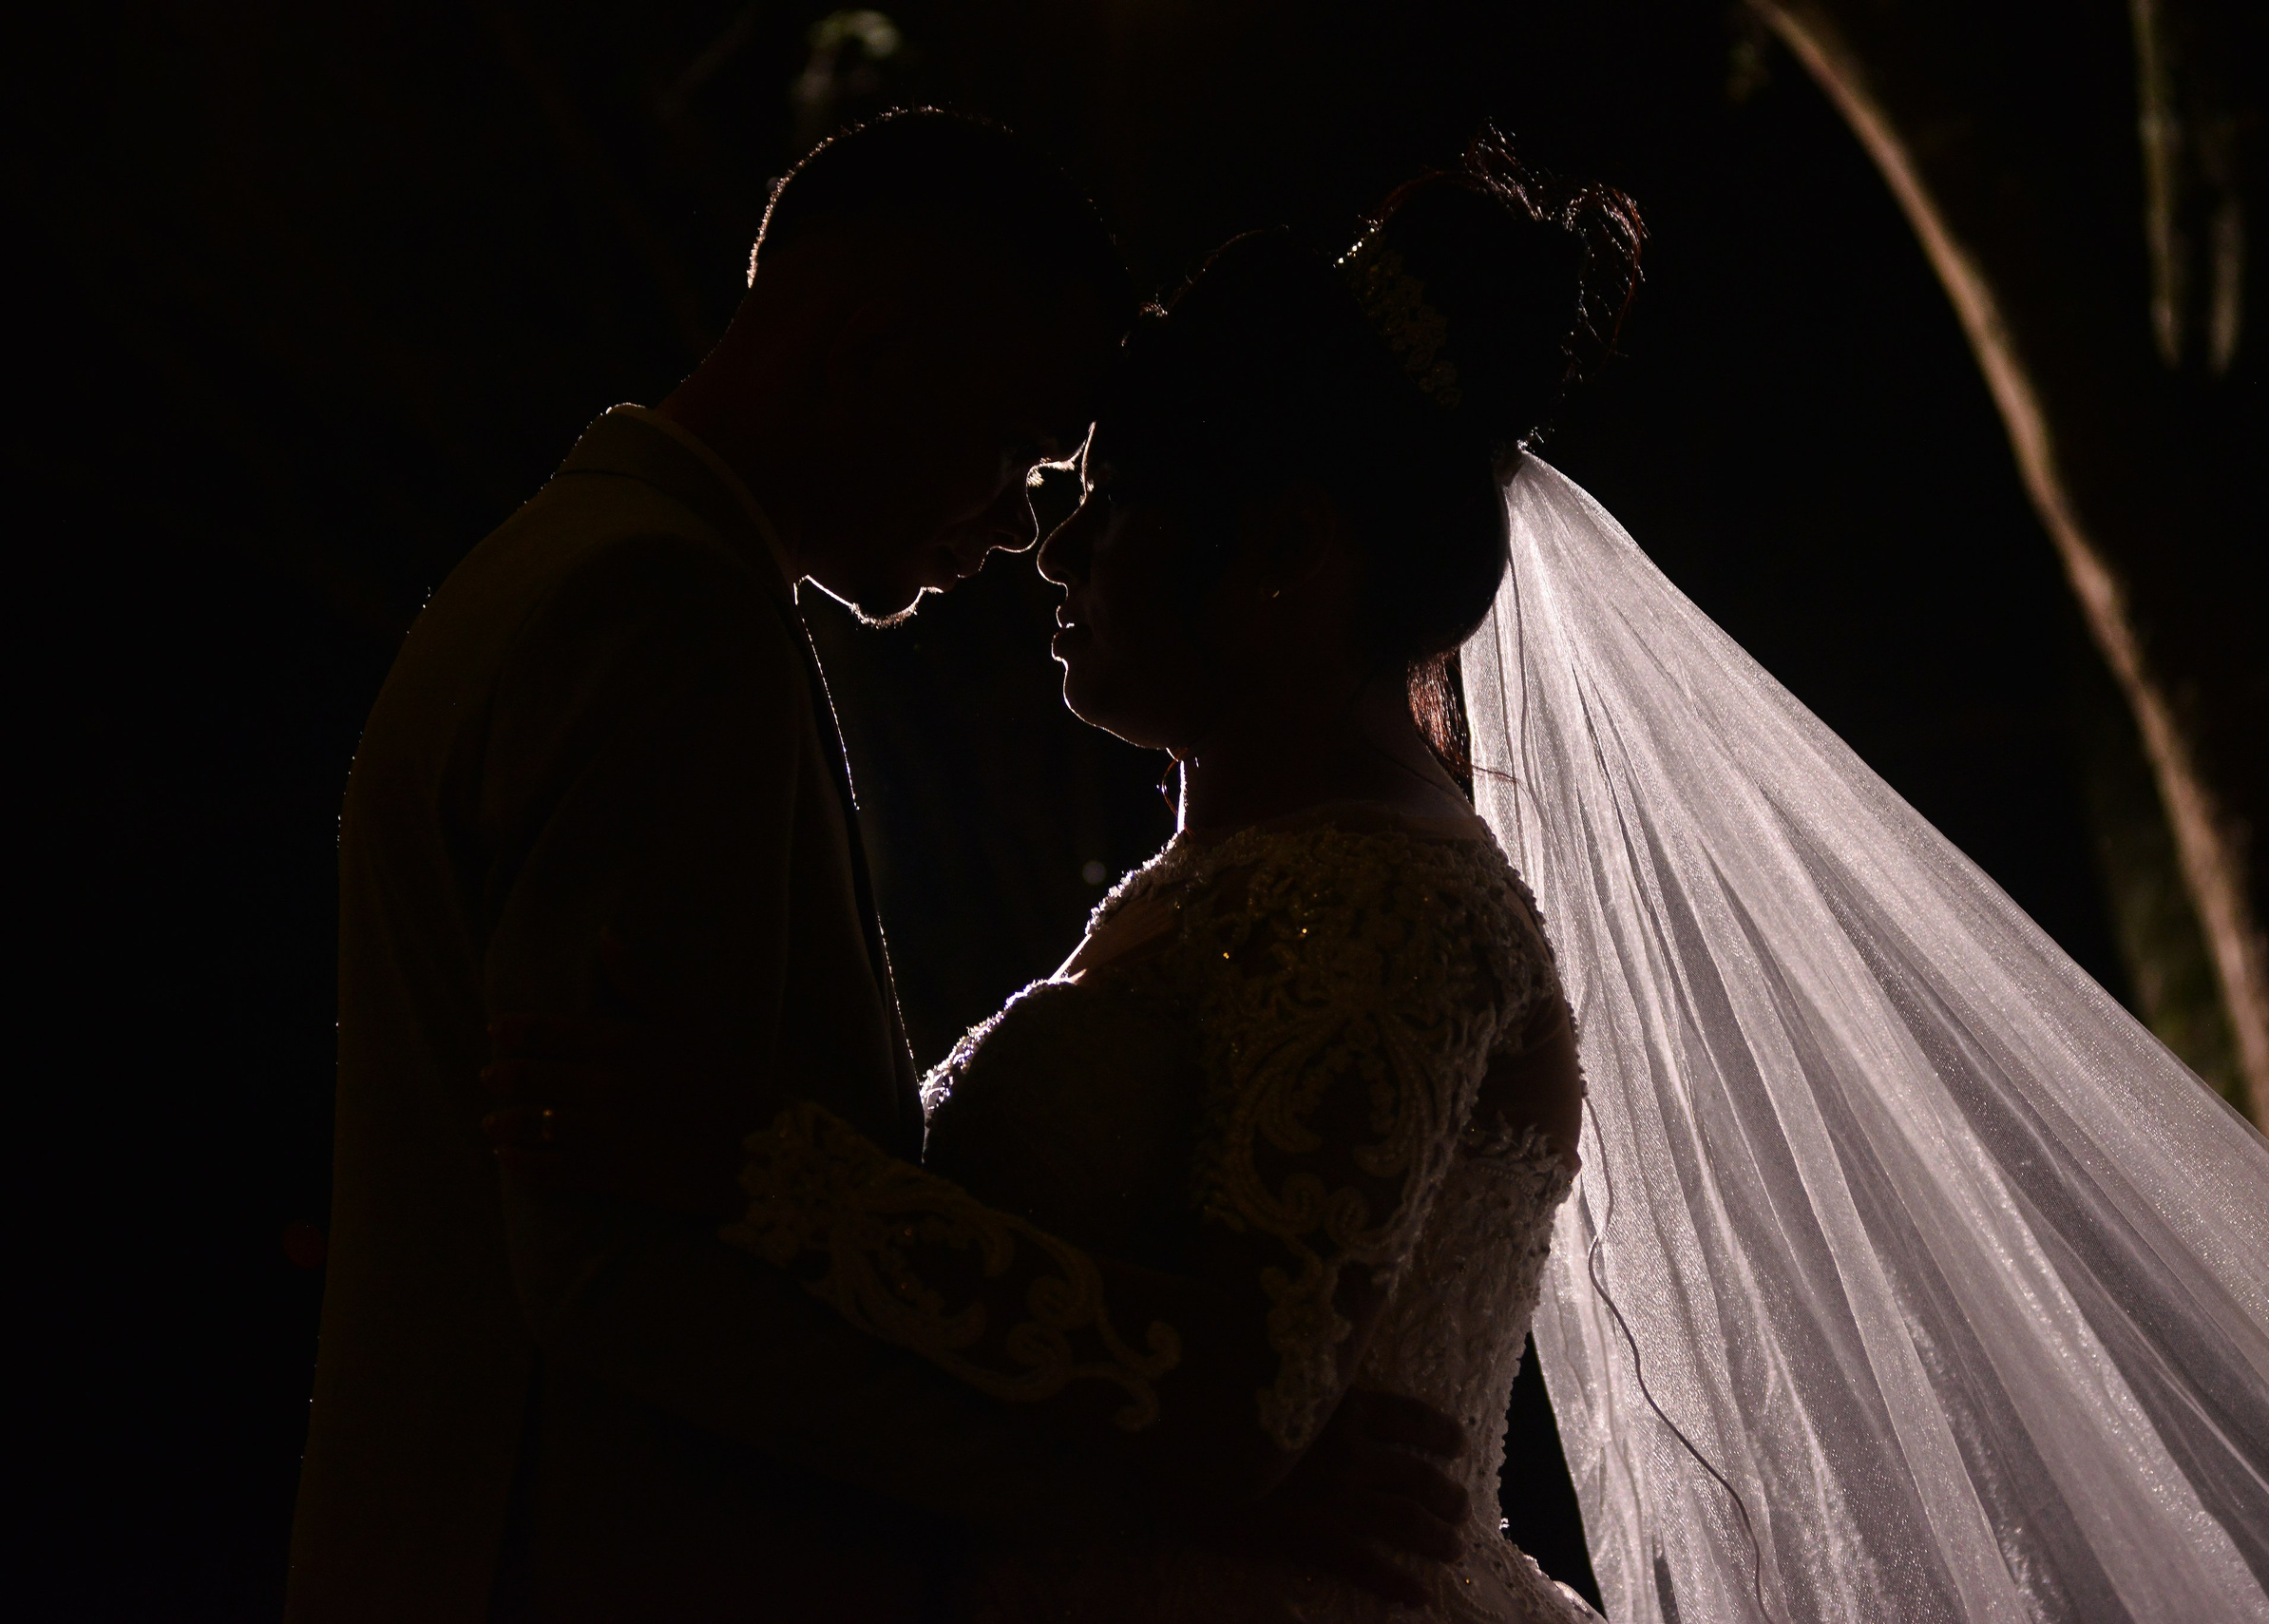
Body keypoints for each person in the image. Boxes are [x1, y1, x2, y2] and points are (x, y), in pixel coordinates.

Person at [492, 131, 2269, 1624]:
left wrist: (763, 1173)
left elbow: (1243, 1399)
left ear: (1283, 560)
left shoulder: (1402, 913)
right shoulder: (1221, 887)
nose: (1051, 555)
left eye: (1109, 510)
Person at [288, 109, 1467, 1624]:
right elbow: (624, 1271)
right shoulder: (661, 614)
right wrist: (1182, 1489)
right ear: (872, 352)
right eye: (1017, 450)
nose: (1021, 527)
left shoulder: (588, 567)